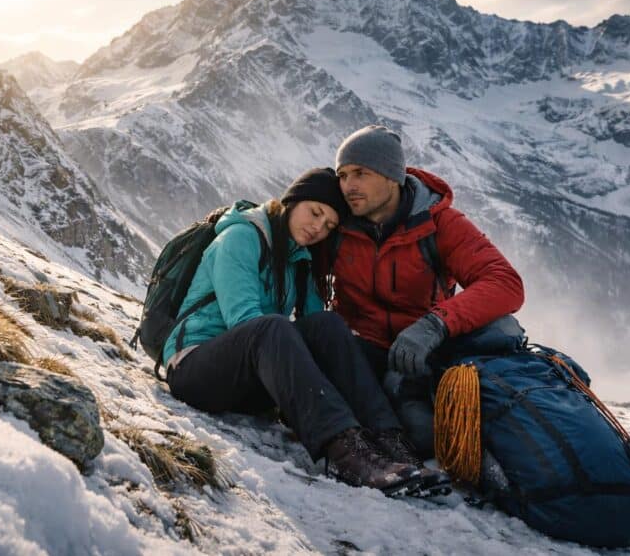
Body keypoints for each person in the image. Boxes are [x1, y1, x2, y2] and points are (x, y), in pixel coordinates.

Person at [162, 168, 448, 496]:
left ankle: (391, 443)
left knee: (328, 325)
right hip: (194, 369)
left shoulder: (297, 258)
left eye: (329, 225)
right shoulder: (240, 237)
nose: (318, 228)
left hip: (246, 379)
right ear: (293, 201)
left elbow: (320, 337)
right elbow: (244, 322)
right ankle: (346, 454)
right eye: (315, 212)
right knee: (271, 327)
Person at [332, 125, 525, 456]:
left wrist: (434, 325)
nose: (349, 185)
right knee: (418, 435)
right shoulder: (336, 222)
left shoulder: (439, 222)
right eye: (343, 175)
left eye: (361, 173)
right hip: (365, 353)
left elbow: (504, 282)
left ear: (392, 176)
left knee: (502, 328)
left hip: (428, 354)